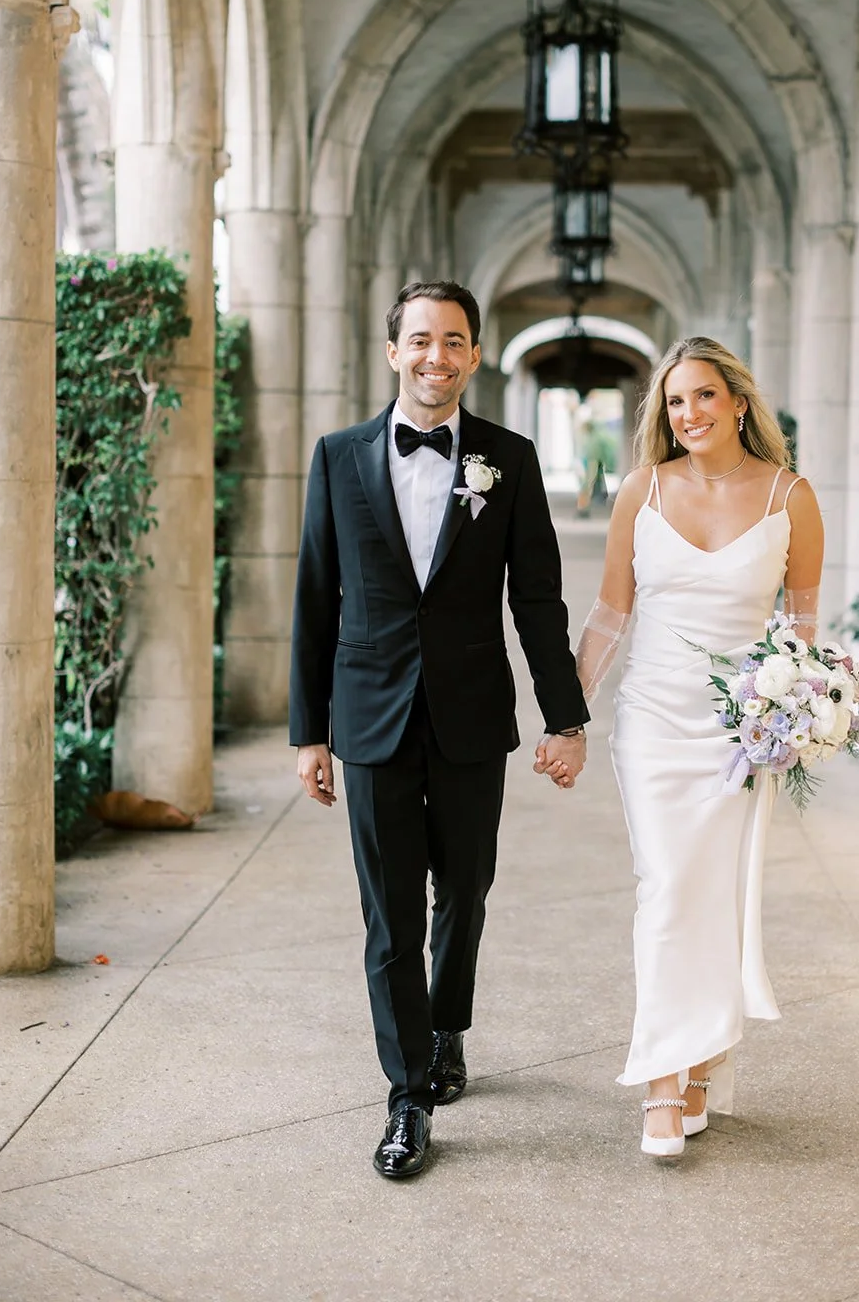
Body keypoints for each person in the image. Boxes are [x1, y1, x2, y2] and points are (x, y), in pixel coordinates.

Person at [290, 280, 589, 1180]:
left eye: (453, 341)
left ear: (473, 353)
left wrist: (564, 716)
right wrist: (310, 731)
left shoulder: (510, 457)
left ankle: (447, 1024)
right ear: (392, 353)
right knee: (388, 919)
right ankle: (408, 1095)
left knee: (463, 891)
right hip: (369, 717)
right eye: (419, 340)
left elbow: (535, 597)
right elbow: (315, 596)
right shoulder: (338, 456)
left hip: (468, 714)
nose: (435, 356)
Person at [569, 337, 823, 1157]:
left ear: (738, 403)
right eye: (675, 403)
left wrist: (801, 713)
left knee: (715, 894)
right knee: (668, 886)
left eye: (704, 397)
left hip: (742, 728)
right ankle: (660, 1085)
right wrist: (567, 712)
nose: (689, 415)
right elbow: (612, 612)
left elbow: (803, 626)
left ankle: (703, 1062)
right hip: (651, 719)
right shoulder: (640, 491)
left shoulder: (791, 496)